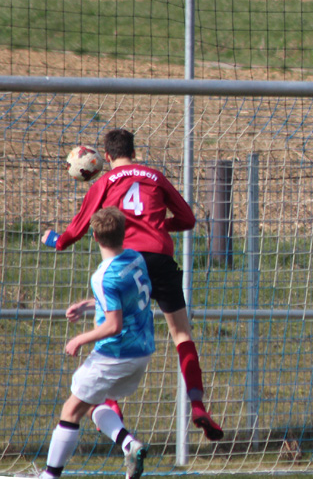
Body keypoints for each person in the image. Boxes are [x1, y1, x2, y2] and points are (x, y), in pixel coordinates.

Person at [41, 128, 222, 441]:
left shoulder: (105, 181)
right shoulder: (155, 176)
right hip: (161, 259)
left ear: (106, 157)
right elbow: (188, 220)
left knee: (114, 326)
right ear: (134, 152)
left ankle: (109, 403)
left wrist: (55, 241)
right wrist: (158, 226)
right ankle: (197, 403)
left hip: (126, 262)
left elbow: (79, 226)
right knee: (181, 334)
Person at [39, 207, 153, 479]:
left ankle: (49, 476)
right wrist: (88, 305)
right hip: (142, 350)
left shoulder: (103, 276)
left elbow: (113, 325)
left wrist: (80, 338)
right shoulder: (135, 258)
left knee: (70, 410)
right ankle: (129, 444)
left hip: (116, 354)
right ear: (124, 232)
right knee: (93, 404)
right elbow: (121, 300)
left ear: (94, 236)